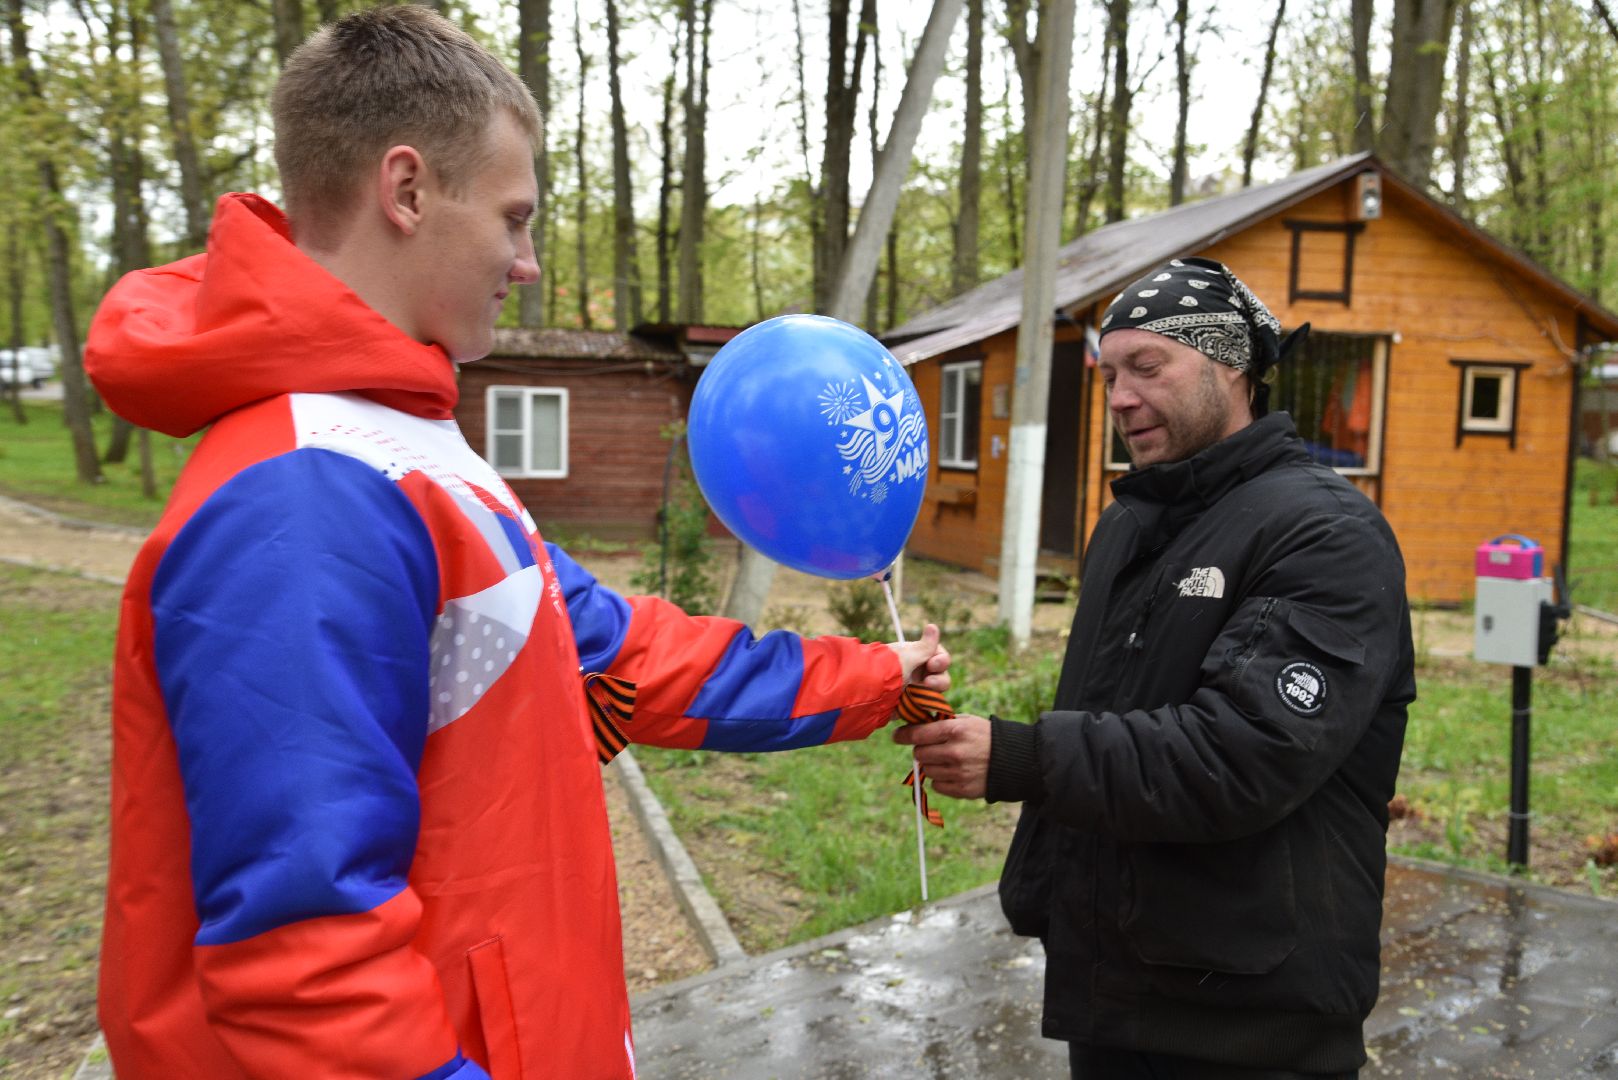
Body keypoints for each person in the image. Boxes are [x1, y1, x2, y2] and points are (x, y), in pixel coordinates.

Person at [84, 8, 948, 1078]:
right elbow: (307, 968)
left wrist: (879, 676)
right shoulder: (307, 492)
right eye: (514, 218)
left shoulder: (407, 447)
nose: (529, 262)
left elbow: (620, 652)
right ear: (406, 191)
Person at [896, 256, 1415, 1079]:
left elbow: (1245, 754)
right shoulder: (1131, 525)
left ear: (1231, 365)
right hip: (1118, 990)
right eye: (1108, 376)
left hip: (1250, 1018)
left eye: (1148, 366)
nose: (1121, 398)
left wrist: (1022, 756)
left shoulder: (1324, 533)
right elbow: (1119, 713)